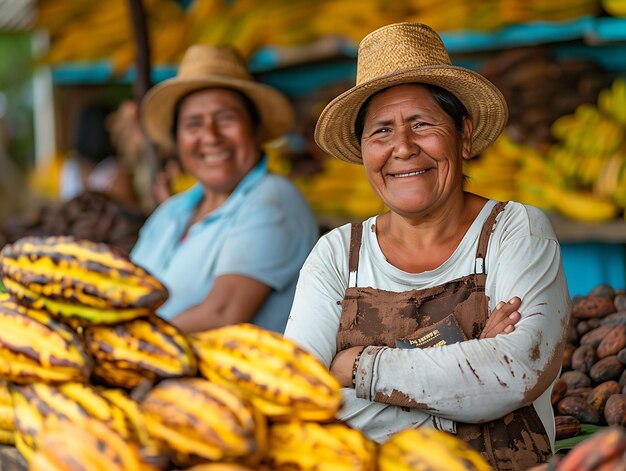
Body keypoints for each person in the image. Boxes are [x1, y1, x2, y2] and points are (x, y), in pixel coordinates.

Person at [284, 22, 571, 470]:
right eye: (381, 131)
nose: (402, 147)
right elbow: (298, 398)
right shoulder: (337, 254)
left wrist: (355, 367)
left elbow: (515, 373)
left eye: (422, 124)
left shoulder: (515, 231)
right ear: (363, 152)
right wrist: (466, 399)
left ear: (465, 135)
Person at [131, 44, 319, 334]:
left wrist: (127, 339)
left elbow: (222, 313)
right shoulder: (170, 211)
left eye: (225, 118)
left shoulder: (273, 200)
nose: (210, 136)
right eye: (194, 124)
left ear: (255, 129)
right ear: (178, 141)